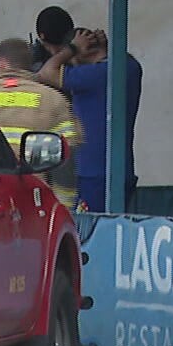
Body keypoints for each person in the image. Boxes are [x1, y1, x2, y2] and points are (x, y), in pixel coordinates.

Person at [41, 27, 142, 213]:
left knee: (88, 233)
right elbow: (126, 59)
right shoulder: (130, 68)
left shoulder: (92, 76)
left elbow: (46, 73)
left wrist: (72, 48)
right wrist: (107, 46)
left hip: (92, 173)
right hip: (123, 170)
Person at [0, 37, 82, 208]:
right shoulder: (53, 99)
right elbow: (66, 158)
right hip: (33, 201)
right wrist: (65, 205)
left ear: (2, 64)